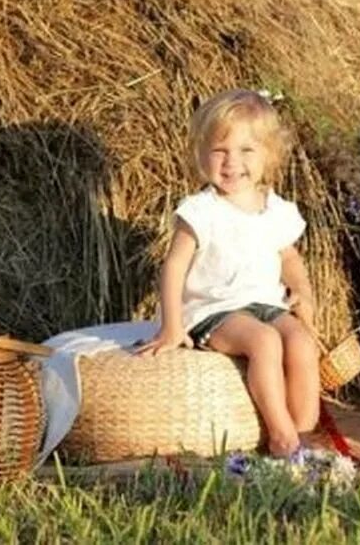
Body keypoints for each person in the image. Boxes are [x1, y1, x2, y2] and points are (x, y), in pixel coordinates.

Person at [137, 89, 320, 456]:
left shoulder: (275, 209)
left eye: (246, 150)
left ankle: (306, 431)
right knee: (265, 341)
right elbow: (173, 268)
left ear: (268, 155)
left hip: (265, 303)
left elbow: (289, 259)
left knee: (301, 340)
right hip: (214, 310)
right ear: (201, 156)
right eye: (220, 151)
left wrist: (302, 291)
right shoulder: (201, 211)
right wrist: (172, 326)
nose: (232, 162)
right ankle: (281, 434)